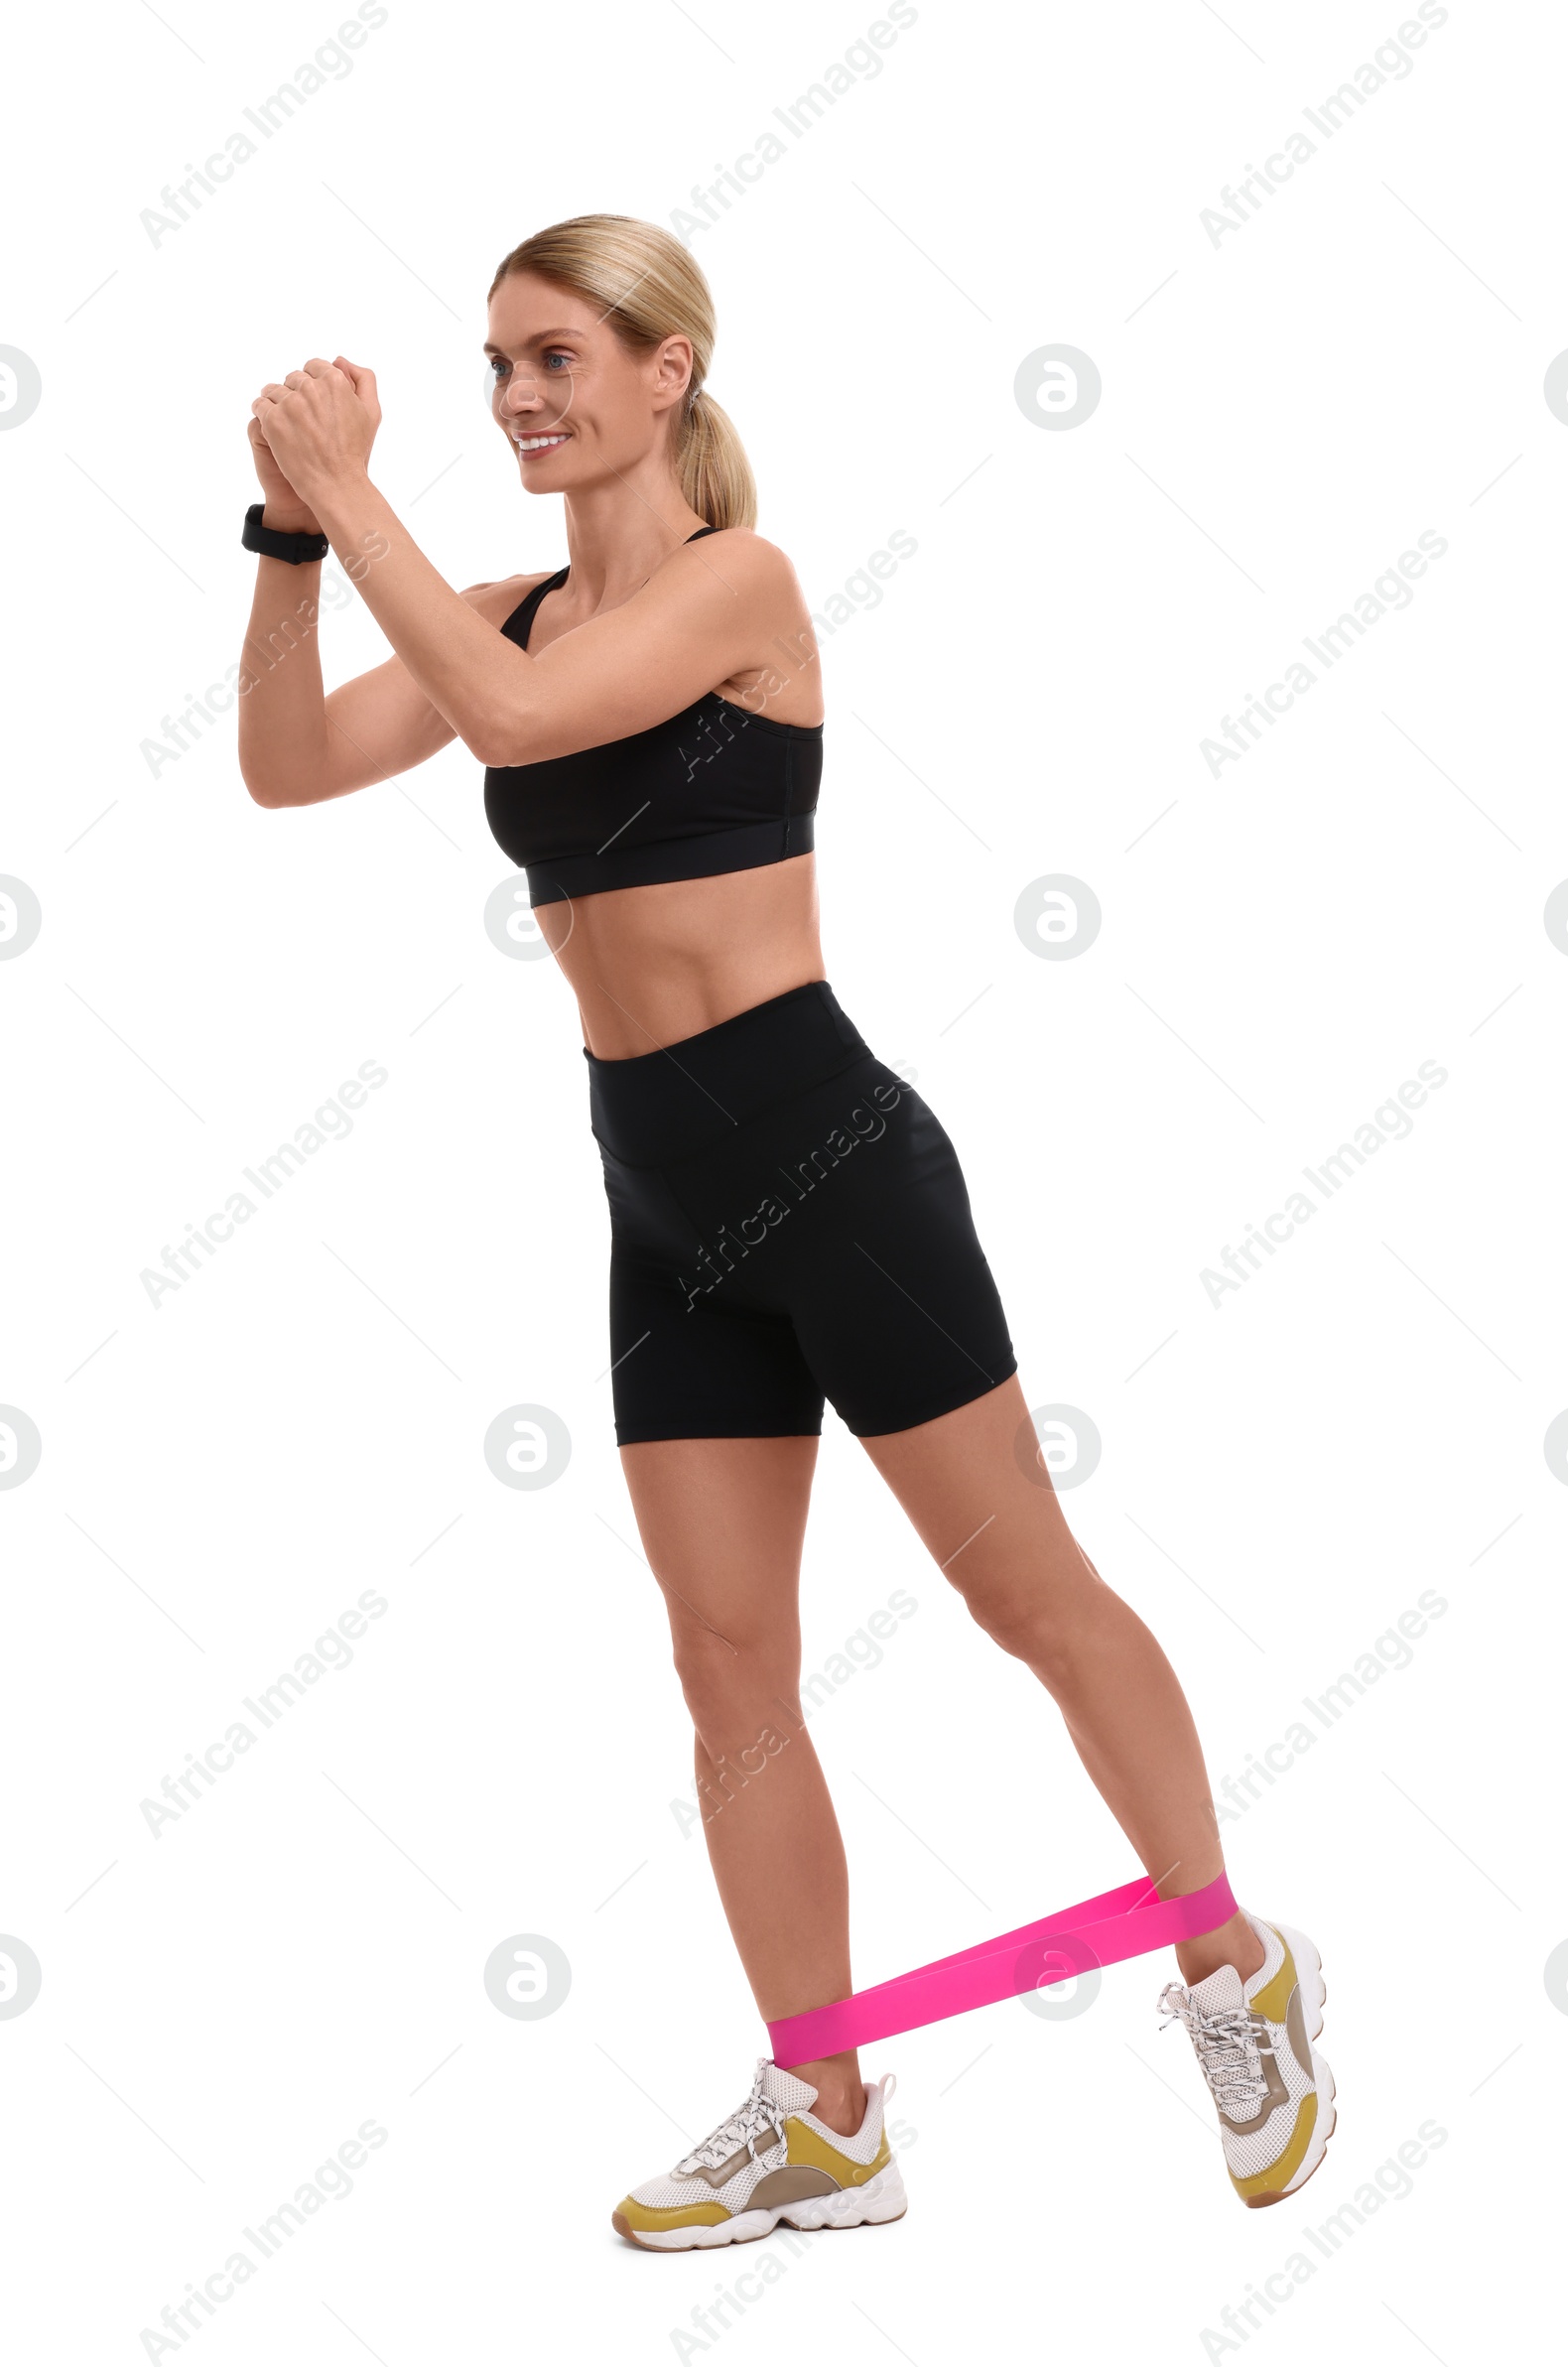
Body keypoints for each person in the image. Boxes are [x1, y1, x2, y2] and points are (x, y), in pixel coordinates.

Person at [238, 212, 1334, 2251]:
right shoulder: (508, 603)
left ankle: (1231, 1970)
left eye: (555, 355)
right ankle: (823, 2102)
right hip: (655, 1194)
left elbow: (509, 724)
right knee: (725, 1659)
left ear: (668, 373)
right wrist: (289, 543)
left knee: (1033, 1604)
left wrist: (350, 484)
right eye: (493, 364)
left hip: (834, 1169)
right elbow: (289, 762)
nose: (516, 397)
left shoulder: (738, 585)